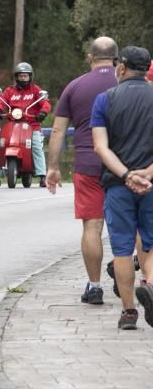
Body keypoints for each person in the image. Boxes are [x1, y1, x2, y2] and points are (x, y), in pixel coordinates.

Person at [46, 37, 119, 305]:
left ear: (90, 57)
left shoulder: (74, 87)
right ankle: (139, 275)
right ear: (116, 58)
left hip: (88, 165)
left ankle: (95, 286)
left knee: (92, 225)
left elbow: (58, 130)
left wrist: (53, 167)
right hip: (125, 165)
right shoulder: (126, 83)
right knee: (134, 222)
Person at [91, 46, 153, 330]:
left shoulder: (104, 100)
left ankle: (129, 312)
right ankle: (150, 287)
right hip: (152, 184)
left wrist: (127, 175)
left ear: (122, 68)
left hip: (118, 186)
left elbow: (100, 147)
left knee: (122, 249)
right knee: (151, 245)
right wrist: (148, 173)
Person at [0, 62, 51, 188]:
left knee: (36, 147)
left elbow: (45, 102)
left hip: (32, 125)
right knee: (3, 146)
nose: (23, 78)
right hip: (13, 125)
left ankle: (43, 177)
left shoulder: (35, 90)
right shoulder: (9, 91)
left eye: (25, 76)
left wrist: (43, 113)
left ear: (30, 77)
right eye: (20, 76)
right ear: (16, 77)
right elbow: (1, 101)